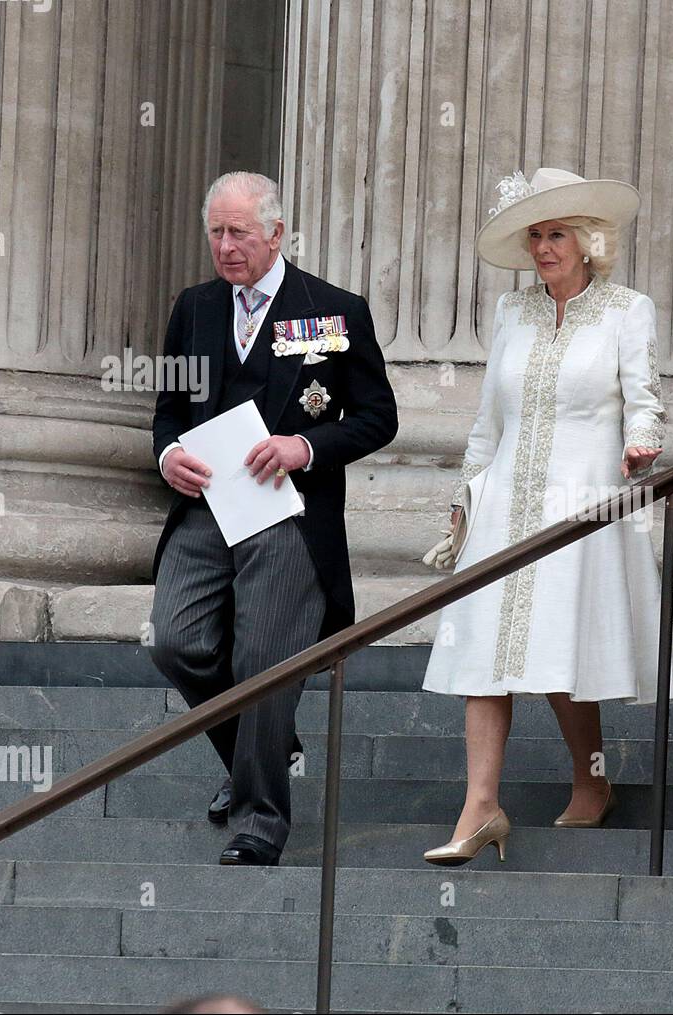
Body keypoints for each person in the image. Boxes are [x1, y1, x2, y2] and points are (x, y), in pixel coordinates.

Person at [420, 167, 673, 866]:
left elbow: (645, 397)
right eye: (534, 235)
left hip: (584, 497)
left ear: (588, 239)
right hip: (506, 496)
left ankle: (590, 781)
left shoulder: (628, 309)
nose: (543, 247)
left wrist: (642, 442)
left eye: (556, 232)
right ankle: (481, 805)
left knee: (565, 649)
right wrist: (465, 499)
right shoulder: (512, 314)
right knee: (484, 648)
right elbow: (488, 421)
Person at [150, 171, 397, 866]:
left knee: (265, 662)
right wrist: (167, 453)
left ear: (277, 234)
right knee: (175, 642)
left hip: (291, 513)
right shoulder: (194, 308)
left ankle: (260, 818)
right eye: (216, 233)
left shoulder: (334, 310)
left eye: (240, 234)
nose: (226, 247)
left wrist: (307, 446)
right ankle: (263, 746)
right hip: (207, 506)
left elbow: (380, 418)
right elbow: (168, 412)